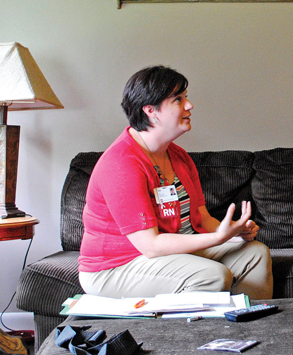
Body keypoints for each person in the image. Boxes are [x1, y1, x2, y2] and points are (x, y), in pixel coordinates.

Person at [78, 65, 273, 300]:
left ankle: (247, 327)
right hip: (116, 266)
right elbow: (150, 245)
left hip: (172, 253)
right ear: (151, 110)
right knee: (211, 275)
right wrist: (218, 238)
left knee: (255, 253)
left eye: (186, 97)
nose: (189, 105)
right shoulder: (121, 163)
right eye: (178, 99)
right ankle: (194, 336)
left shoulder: (179, 156)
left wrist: (234, 233)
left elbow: (202, 219)